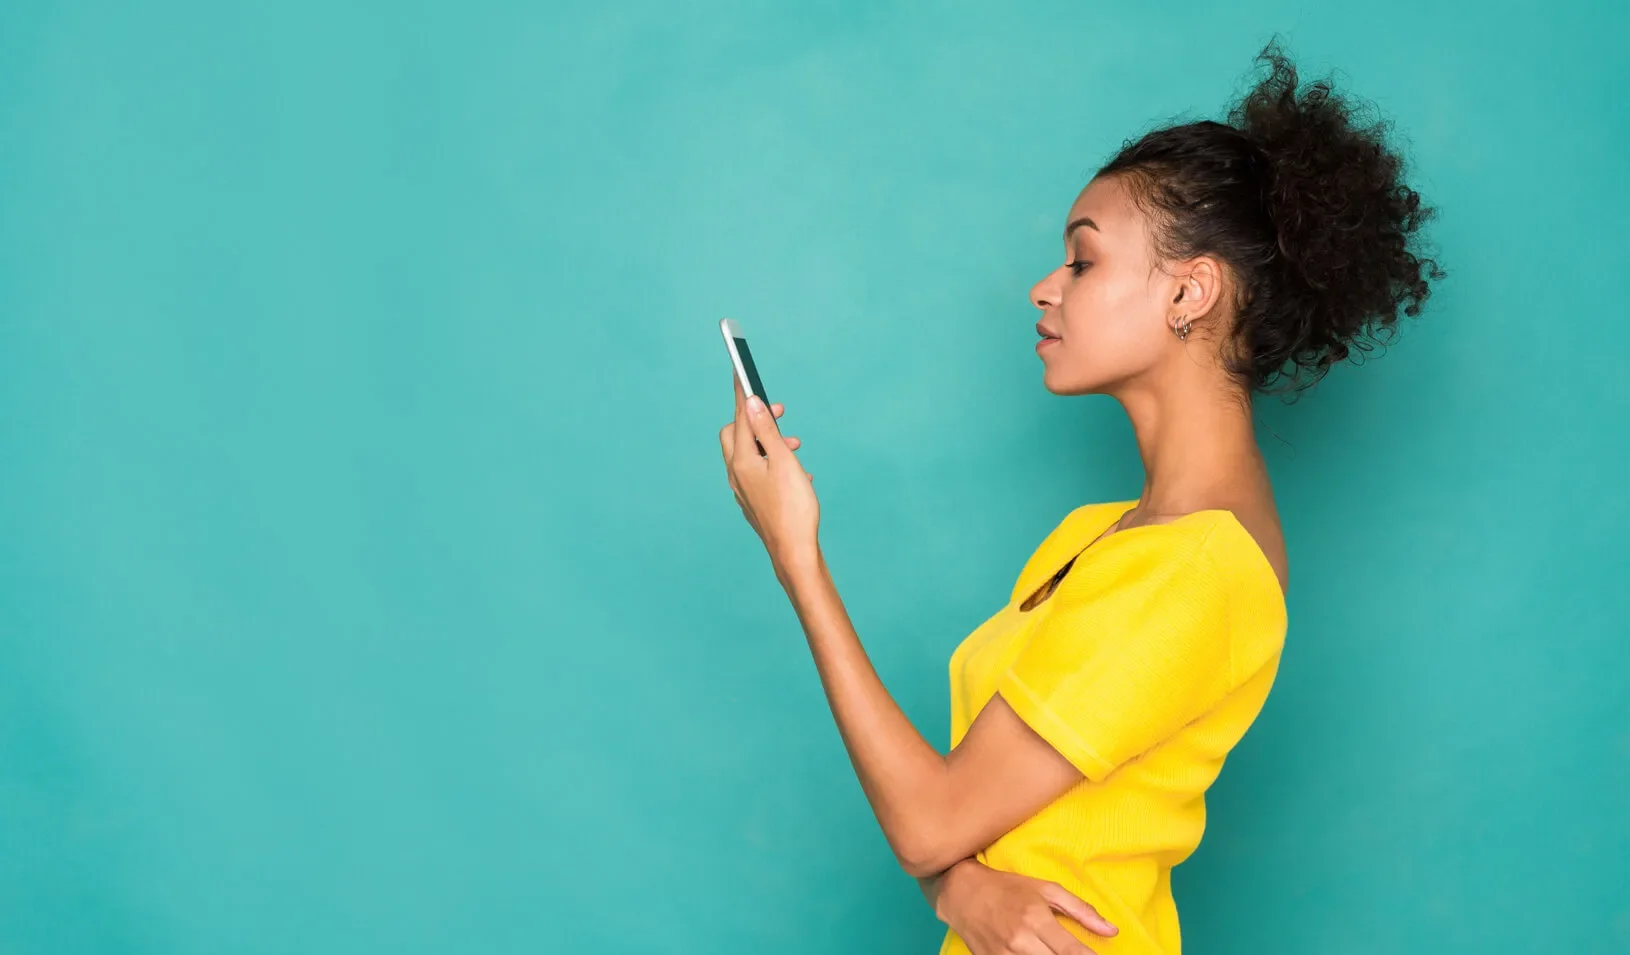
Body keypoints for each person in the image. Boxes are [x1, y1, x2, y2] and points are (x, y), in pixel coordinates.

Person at [720, 36, 1443, 955]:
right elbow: (958, 817)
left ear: (1191, 289)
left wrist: (797, 555)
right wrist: (959, 888)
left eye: (1083, 261)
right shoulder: (1102, 535)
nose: (1043, 287)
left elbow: (930, 820)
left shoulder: (1199, 569)